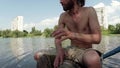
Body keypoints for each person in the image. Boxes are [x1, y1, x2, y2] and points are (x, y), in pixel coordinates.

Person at [34, 0, 102, 68]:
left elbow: (97, 38)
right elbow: (58, 37)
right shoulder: (63, 16)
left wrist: (72, 35)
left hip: (85, 50)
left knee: (93, 59)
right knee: (38, 55)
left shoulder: (89, 11)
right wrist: (59, 50)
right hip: (70, 50)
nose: (60, 1)